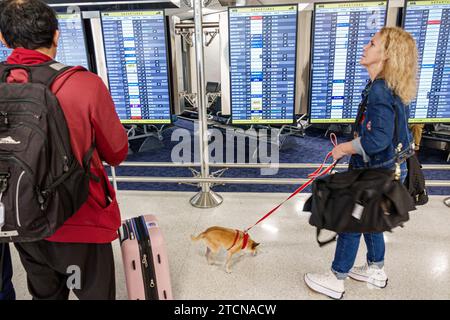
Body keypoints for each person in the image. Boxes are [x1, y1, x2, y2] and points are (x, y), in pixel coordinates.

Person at [0, 0, 128, 299]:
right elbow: (117, 153)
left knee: (45, 293)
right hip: (81, 217)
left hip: (22, 216)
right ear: (56, 35)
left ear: (3, 39)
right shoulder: (84, 84)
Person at [304, 27, 417, 299]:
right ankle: (376, 269)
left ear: (386, 54)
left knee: (351, 222)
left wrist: (344, 148)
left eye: (372, 43)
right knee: (371, 220)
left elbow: (377, 140)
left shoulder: (379, 89)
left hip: (374, 172)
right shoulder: (391, 86)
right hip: (390, 171)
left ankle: (336, 278)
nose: (365, 47)